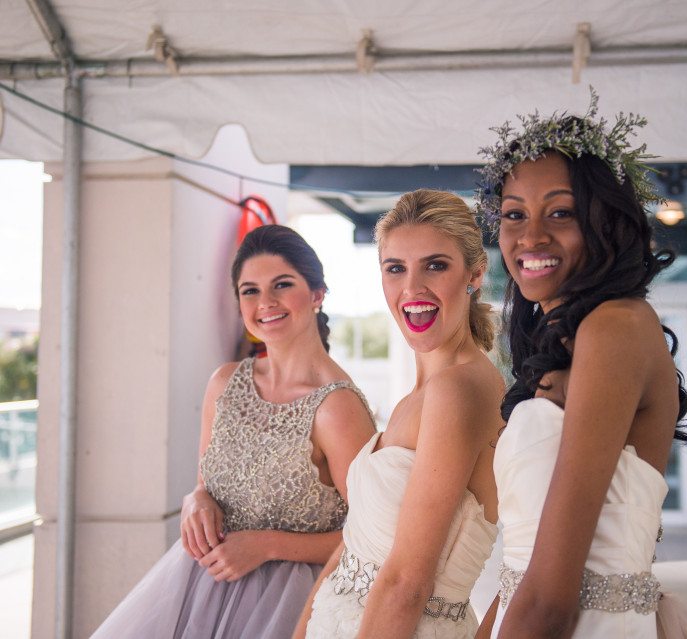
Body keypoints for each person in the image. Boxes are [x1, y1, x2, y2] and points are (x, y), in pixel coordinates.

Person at [474, 91, 687, 638]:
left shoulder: (615, 328)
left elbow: (551, 599)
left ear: (606, 222)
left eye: (561, 212)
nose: (531, 236)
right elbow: (521, 574)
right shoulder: (565, 336)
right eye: (514, 214)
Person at [92, 225, 376, 638]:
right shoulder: (224, 384)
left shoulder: (337, 407)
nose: (266, 303)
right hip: (198, 591)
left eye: (282, 284)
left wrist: (268, 545)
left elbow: (375, 537)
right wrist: (195, 501)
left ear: (317, 294)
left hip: (290, 607)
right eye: (250, 291)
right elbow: (204, 484)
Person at [296, 189, 504, 638]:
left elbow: (407, 583)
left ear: (474, 274)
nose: (412, 288)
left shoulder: (458, 390)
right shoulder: (418, 395)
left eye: (435, 265)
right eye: (395, 268)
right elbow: (354, 544)